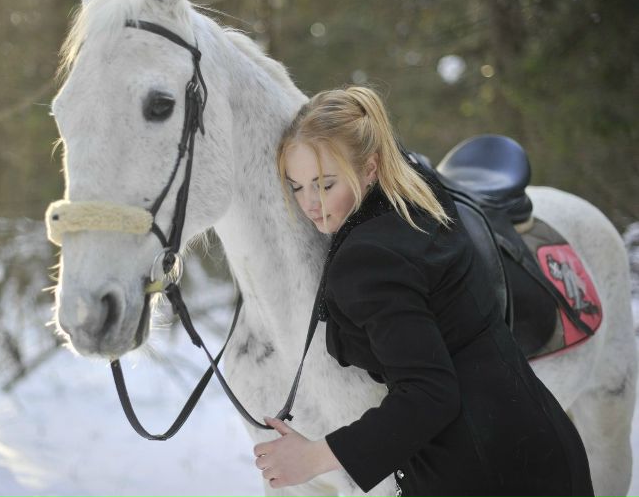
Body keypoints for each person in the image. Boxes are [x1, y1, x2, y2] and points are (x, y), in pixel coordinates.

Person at [253, 86, 594, 496]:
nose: (311, 204)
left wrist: (314, 457)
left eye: (325, 185)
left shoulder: (367, 261)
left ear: (370, 169)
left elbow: (431, 395)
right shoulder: (419, 198)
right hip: (540, 447)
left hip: (480, 474)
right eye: (297, 186)